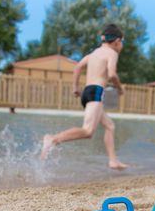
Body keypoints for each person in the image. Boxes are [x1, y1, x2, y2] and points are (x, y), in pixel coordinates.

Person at [40, 24, 128, 170]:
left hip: (87, 92)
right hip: (96, 92)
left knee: (110, 126)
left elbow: (78, 67)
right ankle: (53, 139)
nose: (122, 45)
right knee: (87, 131)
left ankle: (113, 161)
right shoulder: (112, 53)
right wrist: (119, 89)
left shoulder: (93, 54)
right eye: (122, 42)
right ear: (117, 41)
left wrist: (75, 87)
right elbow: (112, 74)